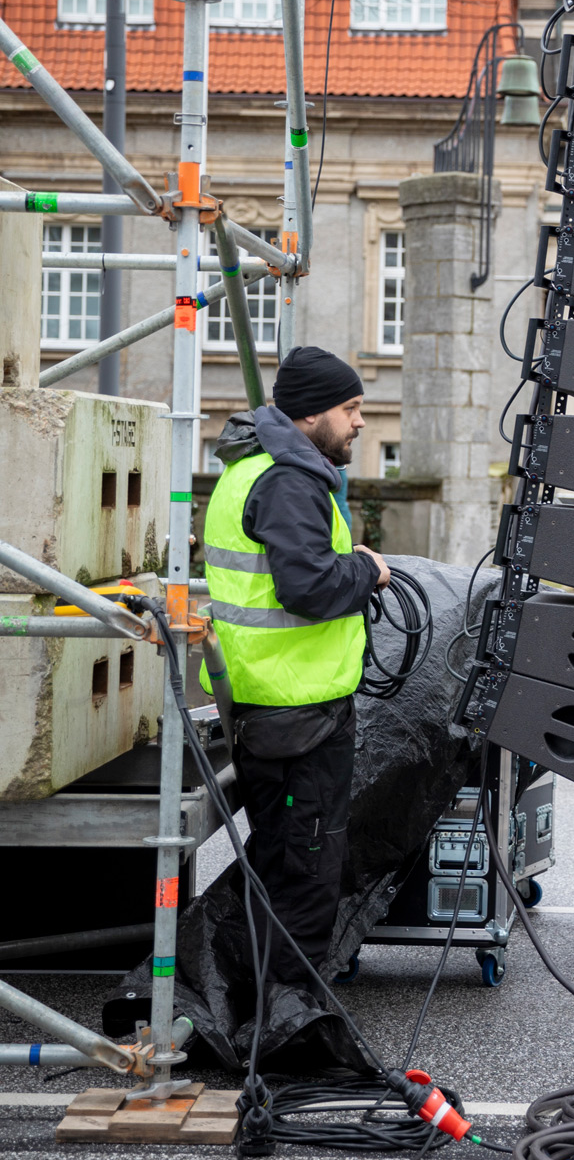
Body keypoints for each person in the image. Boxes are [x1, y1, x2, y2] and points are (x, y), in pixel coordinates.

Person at [201, 345, 389, 988]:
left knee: (284, 864)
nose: (360, 421)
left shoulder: (257, 468)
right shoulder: (287, 478)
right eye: (351, 408)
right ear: (311, 416)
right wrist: (368, 569)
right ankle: (286, 1031)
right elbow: (306, 588)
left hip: (279, 705)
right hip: (295, 714)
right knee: (305, 873)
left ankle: (268, 1011)